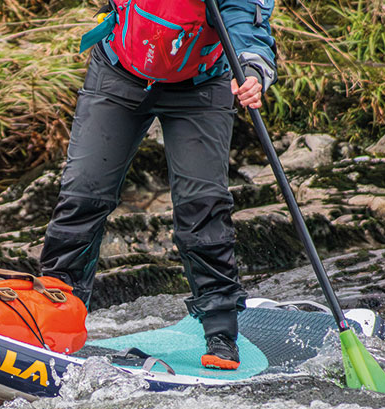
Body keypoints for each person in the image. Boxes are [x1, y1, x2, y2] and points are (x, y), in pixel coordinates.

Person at [39, 0, 276, 370]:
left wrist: (252, 71)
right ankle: (53, 313)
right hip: (119, 70)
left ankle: (220, 333)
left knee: (202, 207)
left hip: (201, 85)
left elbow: (246, 25)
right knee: (83, 195)